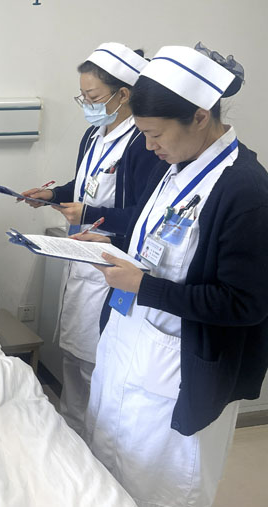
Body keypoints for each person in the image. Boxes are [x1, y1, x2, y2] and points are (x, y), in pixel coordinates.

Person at [80, 44, 268, 507]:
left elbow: (245, 304)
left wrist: (144, 287)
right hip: (129, 342)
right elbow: (160, 242)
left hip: (177, 369)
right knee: (110, 476)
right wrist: (114, 242)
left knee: (163, 489)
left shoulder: (244, 190)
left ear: (200, 117)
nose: (148, 146)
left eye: (154, 133)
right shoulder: (177, 166)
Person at [19, 43, 160, 435]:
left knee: (97, 362)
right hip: (79, 259)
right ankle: (72, 435)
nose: (87, 105)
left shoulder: (144, 145)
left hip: (111, 266)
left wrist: (90, 215)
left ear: (123, 94)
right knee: (74, 357)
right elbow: (85, 186)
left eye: (94, 97)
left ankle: (92, 446)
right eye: (82, 96)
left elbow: (144, 215)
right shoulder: (94, 136)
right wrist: (54, 194)